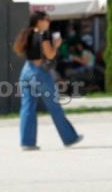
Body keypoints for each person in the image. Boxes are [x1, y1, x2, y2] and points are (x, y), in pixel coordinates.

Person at [13, 11, 83, 150]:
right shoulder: (43, 34)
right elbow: (49, 55)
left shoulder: (27, 34)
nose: (49, 21)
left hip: (26, 71)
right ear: (39, 21)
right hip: (39, 73)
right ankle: (69, 138)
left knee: (27, 108)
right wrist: (56, 45)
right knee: (54, 106)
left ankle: (27, 142)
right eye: (46, 19)